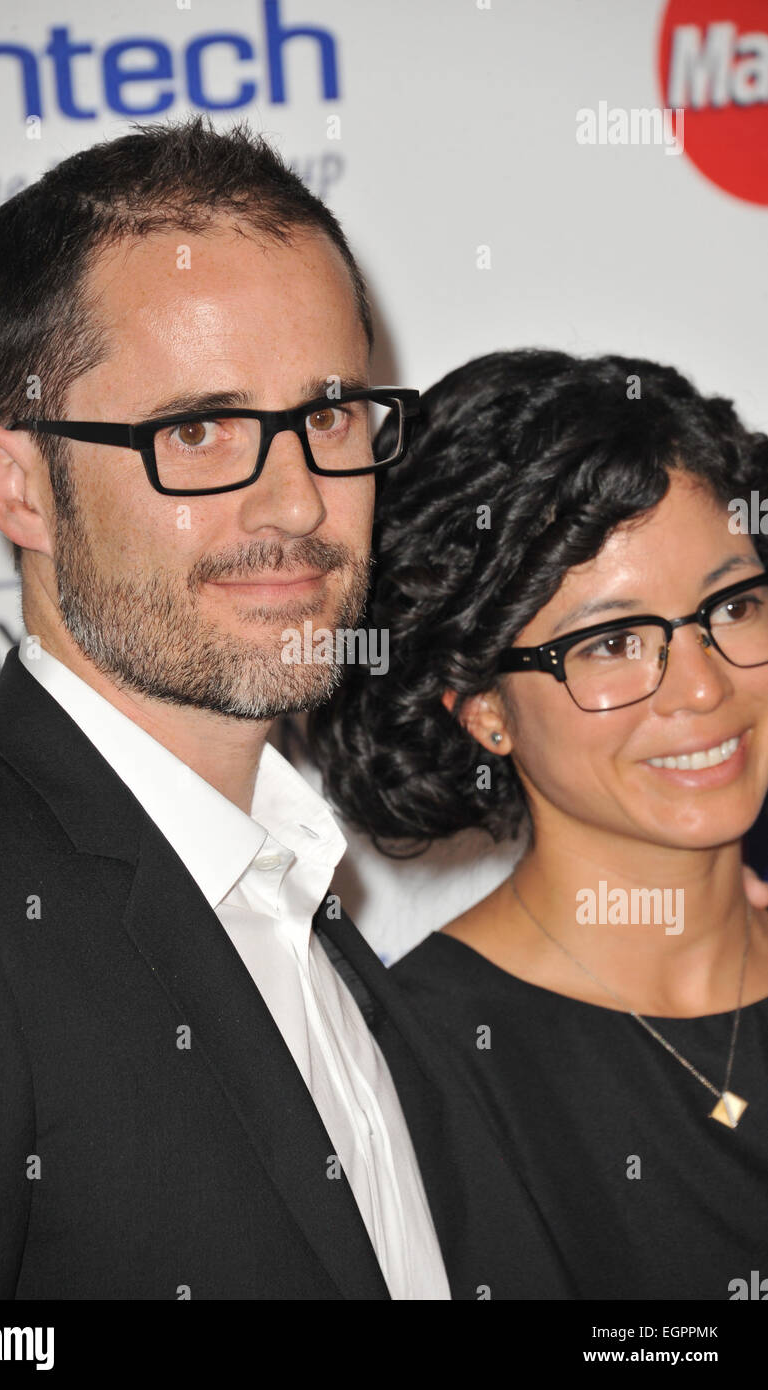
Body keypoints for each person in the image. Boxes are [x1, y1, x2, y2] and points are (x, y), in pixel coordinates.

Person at [0, 121, 573, 1301]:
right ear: (17, 486)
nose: (298, 502)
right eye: (194, 429)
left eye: (325, 416)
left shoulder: (294, 891)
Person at [309, 349, 768, 1299]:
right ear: (481, 709)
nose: (702, 686)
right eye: (610, 643)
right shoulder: (417, 1072)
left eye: (733, 605)